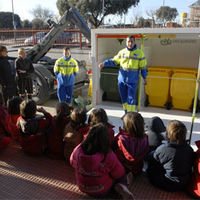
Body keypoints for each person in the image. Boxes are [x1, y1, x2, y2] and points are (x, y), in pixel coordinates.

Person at [70, 123, 134, 199]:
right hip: (101, 190)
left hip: (82, 187)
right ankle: (122, 185)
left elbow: (72, 162)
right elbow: (119, 173)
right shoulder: (107, 155)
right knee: (122, 174)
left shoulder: (78, 150)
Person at [99, 35, 147, 114]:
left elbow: (143, 67)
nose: (130, 43)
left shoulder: (140, 54)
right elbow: (114, 61)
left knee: (131, 98)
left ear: (134, 42)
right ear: (126, 42)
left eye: (131, 41)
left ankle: (130, 116)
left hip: (132, 80)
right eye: (128, 41)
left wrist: (145, 78)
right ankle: (126, 113)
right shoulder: (122, 52)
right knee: (123, 98)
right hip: (121, 80)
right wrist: (104, 63)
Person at [146, 120, 194, 192]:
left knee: (151, 166)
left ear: (168, 134)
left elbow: (151, 159)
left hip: (167, 183)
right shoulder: (189, 149)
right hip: (184, 183)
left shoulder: (163, 148)